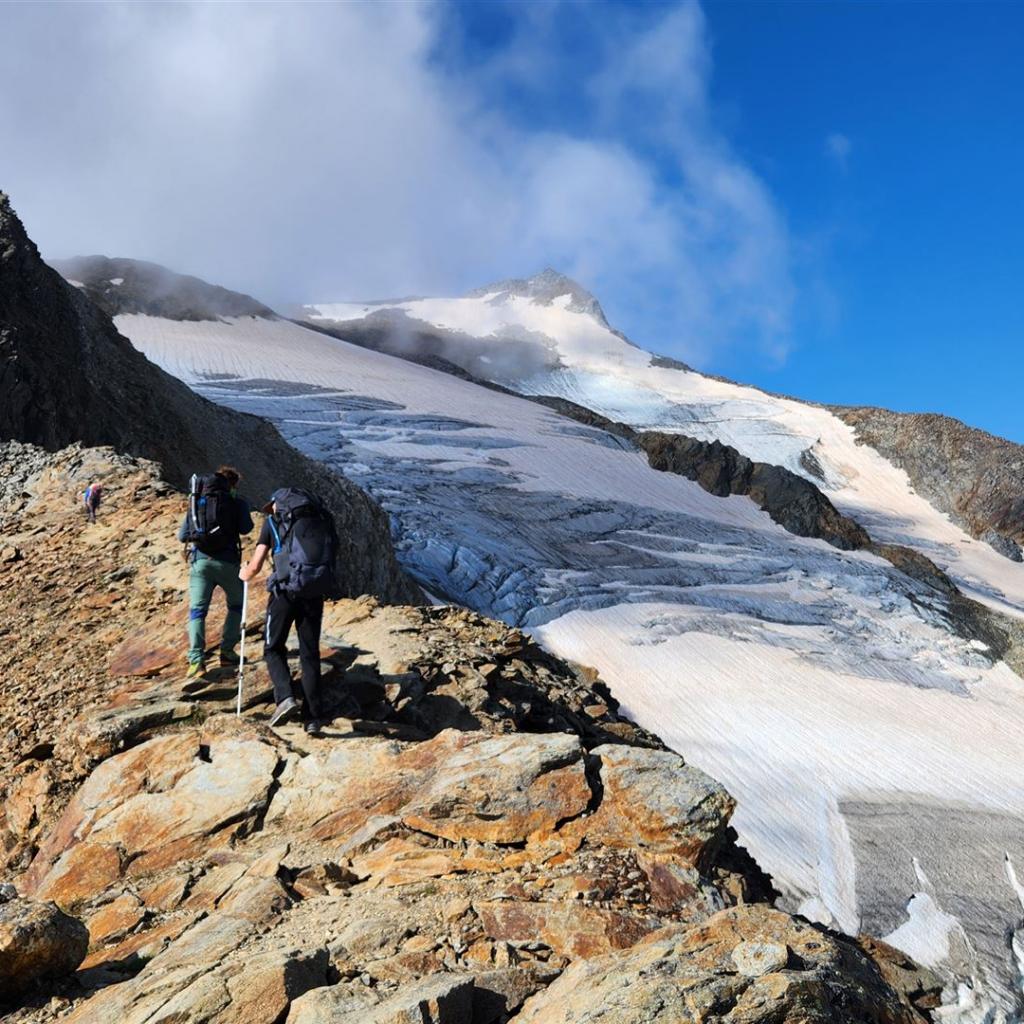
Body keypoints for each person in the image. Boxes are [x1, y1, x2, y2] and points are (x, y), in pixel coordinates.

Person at [239, 487, 339, 736]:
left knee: (273, 647)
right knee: (310, 653)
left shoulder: (272, 523)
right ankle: (312, 718)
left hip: (284, 593)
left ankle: (285, 698)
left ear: (278, 504)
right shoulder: (320, 520)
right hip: (313, 591)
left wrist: (244, 573)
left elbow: (255, 565)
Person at [178, 466, 254, 681]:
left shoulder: (197, 500)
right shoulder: (236, 501)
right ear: (233, 485)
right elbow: (246, 528)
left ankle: (196, 661)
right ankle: (227, 652)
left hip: (200, 562)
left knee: (197, 611)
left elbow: (183, 535)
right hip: (227, 562)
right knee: (237, 605)